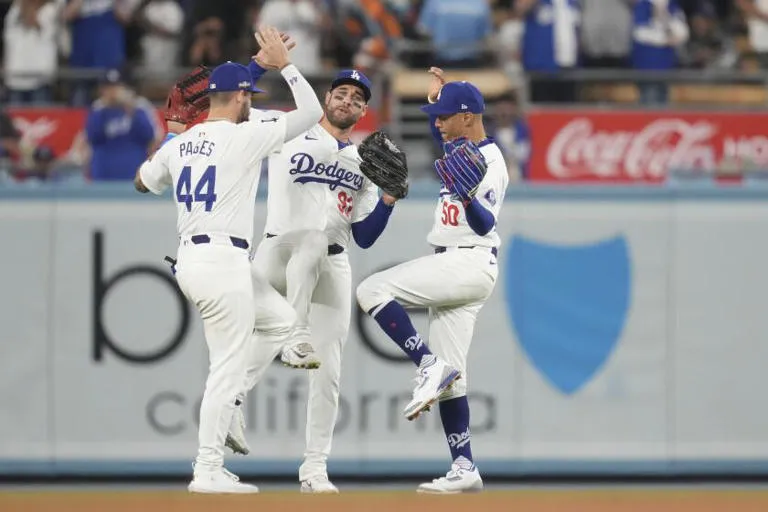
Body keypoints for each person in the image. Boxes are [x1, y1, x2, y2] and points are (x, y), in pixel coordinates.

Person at [133, 26, 323, 494]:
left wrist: (176, 139)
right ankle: (206, 469)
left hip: (197, 260)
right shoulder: (248, 136)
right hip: (221, 263)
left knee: (281, 321)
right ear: (240, 99)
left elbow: (141, 182)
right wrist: (286, 66)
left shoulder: (180, 145)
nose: (250, 102)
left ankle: (230, 411)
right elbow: (313, 112)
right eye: (248, 95)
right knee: (226, 368)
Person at [225, 66, 398, 493]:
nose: (348, 102)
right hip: (278, 249)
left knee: (329, 372)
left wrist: (389, 201)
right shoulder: (290, 127)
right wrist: (263, 64)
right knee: (253, 344)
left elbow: (365, 236)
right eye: (342, 93)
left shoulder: (364, 162)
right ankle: (230, 404)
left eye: (358, 99)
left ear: (363, 113)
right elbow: (235, 109)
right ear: (326, 97)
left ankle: (315, 469)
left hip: (332, 263)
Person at [355, 67, 509, 493]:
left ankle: (425, 363)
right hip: (458, 266)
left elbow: (483, 224)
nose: (436, 122)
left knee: (372, 289)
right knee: (452, 381)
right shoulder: (459, 143)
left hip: (468, 260)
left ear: (468, 116)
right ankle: (465, 467)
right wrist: (441, 96)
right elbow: (446, 122)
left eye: (443, 115)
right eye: (434, 115)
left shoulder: (491, 160)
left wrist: (465, 195)